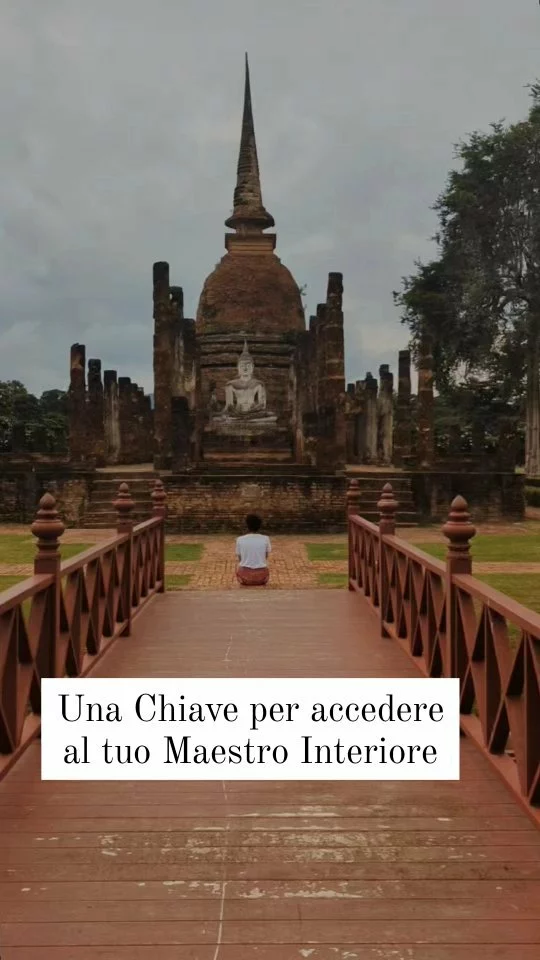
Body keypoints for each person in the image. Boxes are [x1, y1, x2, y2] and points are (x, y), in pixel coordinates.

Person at [235, 514, 271, 586]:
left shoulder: (240, 539)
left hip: (244, 577)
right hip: (262, 577)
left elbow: (240, 558)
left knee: (239, 567)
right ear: (259, 526)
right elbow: (265, 556)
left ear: (247, 525)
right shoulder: (266, 539)